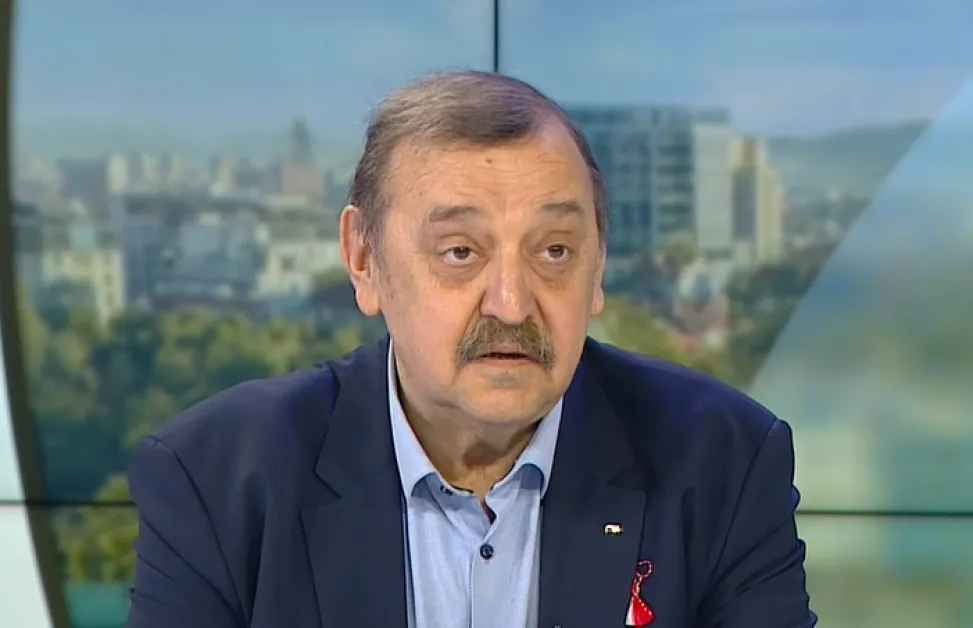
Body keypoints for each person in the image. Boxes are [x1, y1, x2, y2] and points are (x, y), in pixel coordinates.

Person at [126, 70, 816, 628]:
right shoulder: (218, 479)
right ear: (363, 259)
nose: (511, 305)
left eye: (554, 251)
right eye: (460, 252)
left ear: (598, 267)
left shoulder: (720, 463)